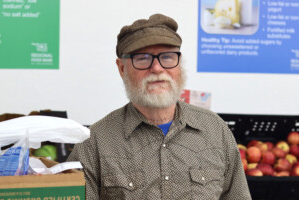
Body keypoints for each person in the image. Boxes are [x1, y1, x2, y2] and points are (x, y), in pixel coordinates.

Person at [67, 13, 252, 200]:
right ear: (122, 68)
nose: (157, 68)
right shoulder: (95, 142)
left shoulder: (215, 130)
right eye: (143, 58)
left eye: (168, 57)